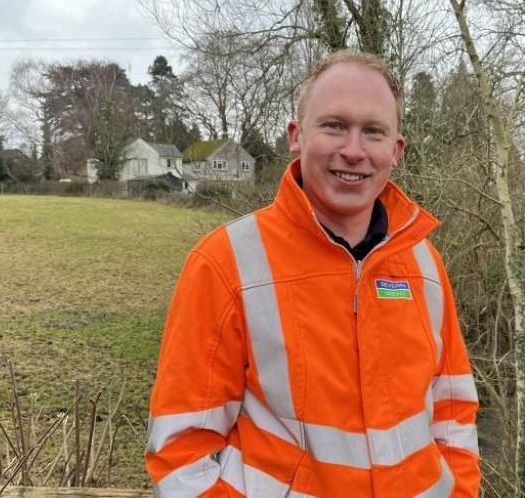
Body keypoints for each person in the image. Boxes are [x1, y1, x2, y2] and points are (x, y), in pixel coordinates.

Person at [145, 50, 480, 498]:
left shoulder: (424, 264)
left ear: (396, 150)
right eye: (334, 125)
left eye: (374, 132)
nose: (354, 151)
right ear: (296, 136)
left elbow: (453, 412)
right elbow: (181, 453)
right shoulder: (224, 262)